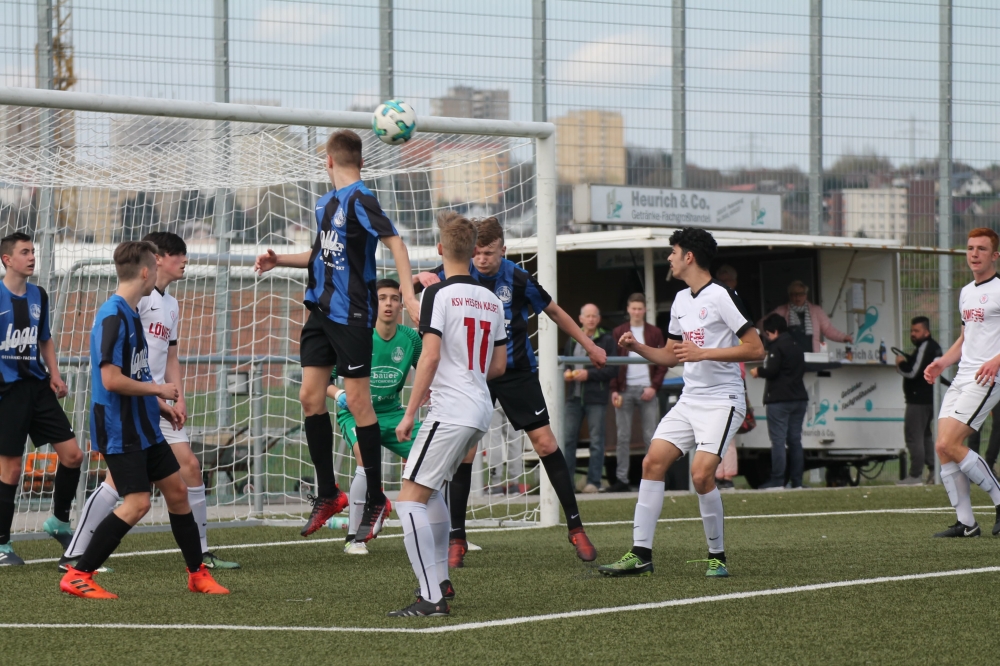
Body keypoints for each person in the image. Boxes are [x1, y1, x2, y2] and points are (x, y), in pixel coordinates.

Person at [255, 129, 418, 543]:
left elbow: (396, 244)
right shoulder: (324, 203)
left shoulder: (362, 199)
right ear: (358, 160)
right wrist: (279, 260)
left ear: (328, 161)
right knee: (310, 396)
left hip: (352, 316)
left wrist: (408, 295)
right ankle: (329, 493)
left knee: (358, 401)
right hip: (320, 312)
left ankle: (377, 498)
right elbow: (319, 255)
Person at [414, 217, 602, 567]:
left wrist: (589, 345)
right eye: (477, 252)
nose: (482, 259)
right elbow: (419, 290)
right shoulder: (456, 272)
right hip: (474, 373)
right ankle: (457, 538)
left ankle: (576, 527)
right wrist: (417, 277)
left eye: (489, 253)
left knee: (545, 444)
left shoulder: (518, 278)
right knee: (466, 453)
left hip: (515, 372)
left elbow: (554, 310)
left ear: (504, 250)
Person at [60, 232, 240, 571]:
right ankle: (75, 558)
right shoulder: (128, 305)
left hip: (153, 403)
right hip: (130, 406)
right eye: (178, 254)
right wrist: (157, 392)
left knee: (186, 473)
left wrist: (175, 397)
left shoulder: (169, 305)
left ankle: (199, 558)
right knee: (126, 490)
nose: (185, 261)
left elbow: (169, 356)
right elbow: (112, 374)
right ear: (154, 263)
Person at [598, 227, 765, 579]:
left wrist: (704, 353)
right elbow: (671, 356)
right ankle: (640, 554)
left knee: (701, 475)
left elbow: (756, 349)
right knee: (652, 463)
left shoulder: (723, 295)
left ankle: (717, 556)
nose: (669, 258)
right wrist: (637, 347)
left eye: (673, 252)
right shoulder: (679, 300)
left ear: (689, 256)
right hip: (690, 400)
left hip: (723, 400)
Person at [389, 212, 507, 617]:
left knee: (408, 501)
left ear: (440, 249)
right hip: (480, 407)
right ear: (474, 252)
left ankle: (431, 597)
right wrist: (465, 372)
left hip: (452, 408)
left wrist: (409, 412)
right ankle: (439, 581)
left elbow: (430, 356)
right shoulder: (492, 300)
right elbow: (499, 365)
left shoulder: (436, 295)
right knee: (432, 491)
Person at [0, 233, 83, 566]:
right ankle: (2, 544)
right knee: (11, 469)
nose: (32, 257)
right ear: (7, 259)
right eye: (25, 252)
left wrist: (56, 374)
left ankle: (59, 521)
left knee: (73, 455)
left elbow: (44, 338)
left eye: (33, 251)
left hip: (37, 387)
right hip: (8, 392)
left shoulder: (39, 295)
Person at [327, 278, 421, 555]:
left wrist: (429, 391)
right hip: (355, 413)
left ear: (402, 305)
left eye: (394, 298)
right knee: (365, 457)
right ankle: (354, 537)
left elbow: (427, 370)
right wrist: (339, 395)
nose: (389, 303)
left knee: (431, 455)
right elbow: (323, 381)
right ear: (371, 304)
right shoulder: (356, 336)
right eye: (382, 298)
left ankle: (450, 534)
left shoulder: (411, 339)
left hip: (393, 414)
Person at [924, 227, 1000, 538]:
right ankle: (967, 523)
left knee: (949, 443)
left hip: (988, 377)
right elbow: (965, 337)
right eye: (970, 248)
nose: (974, 254)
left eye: (982, 249)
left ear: (995, 255)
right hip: (962, 376)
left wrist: (997, 360)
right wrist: (943, 361)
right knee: (942, 448)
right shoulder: (966, 292)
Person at [609, 294, 666, 493]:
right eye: (633, 308)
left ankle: (653, 479)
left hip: (647, 388)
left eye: (639, 308)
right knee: (622, 437)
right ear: (628, 309)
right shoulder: (618, 332)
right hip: (624, 389)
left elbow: (662, 361)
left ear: (645, 310)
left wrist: (654, 387)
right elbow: (612, 362)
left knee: (651, 436)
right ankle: (621, 479)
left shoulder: (655, 332)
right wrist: (614, 389)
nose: (636, 312)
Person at [562, 304, 617, 493]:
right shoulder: (572, 339)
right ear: (580, 319)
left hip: (596, 398)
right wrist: (566, 372)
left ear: (598, 319)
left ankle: (594, 483)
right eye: (588, 316)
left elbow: (613, 369)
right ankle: (567, 484)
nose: (591, 319)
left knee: (596, 441)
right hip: (573, 397)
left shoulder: (607, 340)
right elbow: (566, 363)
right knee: (567, 440)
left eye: (594, 316)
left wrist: (588, 375)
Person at [751, 314, 808, 489]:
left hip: (779, 400)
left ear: (774, 331)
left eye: (767, 334)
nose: (767, 337)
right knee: (795, 441)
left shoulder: (777, 347)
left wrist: (758, 371)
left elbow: (772, 371)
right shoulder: (797, 345)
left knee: (778, 441)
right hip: (799, 398)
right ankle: (797, 482)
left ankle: (777, 481)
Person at [895, 316, 942, 486]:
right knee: (925, 435)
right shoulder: (932, 347)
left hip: (919, 400)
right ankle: (934, 471)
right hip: (928, 399)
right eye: (911, 331)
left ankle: (915, 476)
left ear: (926, 332)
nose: (913, 334)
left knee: (914, 436)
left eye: (916, 331)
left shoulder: (926, 347)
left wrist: (900, 364)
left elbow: (913, 372)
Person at [714, 265, 743, 489]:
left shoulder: (735, 305)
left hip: (731, 377)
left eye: (727, 281)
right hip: (715, 377)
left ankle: (727, 476)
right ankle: (716, 474)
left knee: (727, 433)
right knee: (714, 433)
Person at [767, 280, 852, 353]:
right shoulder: (782, 311)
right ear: (790, 296)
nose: (797, 297)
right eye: (794, 294)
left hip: (812, 355)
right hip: (790, 356)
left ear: (805, 295)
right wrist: (774, 337)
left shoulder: (816, 311)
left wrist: (843, 337)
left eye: (801, 294)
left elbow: (828, 329)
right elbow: (764, 324)